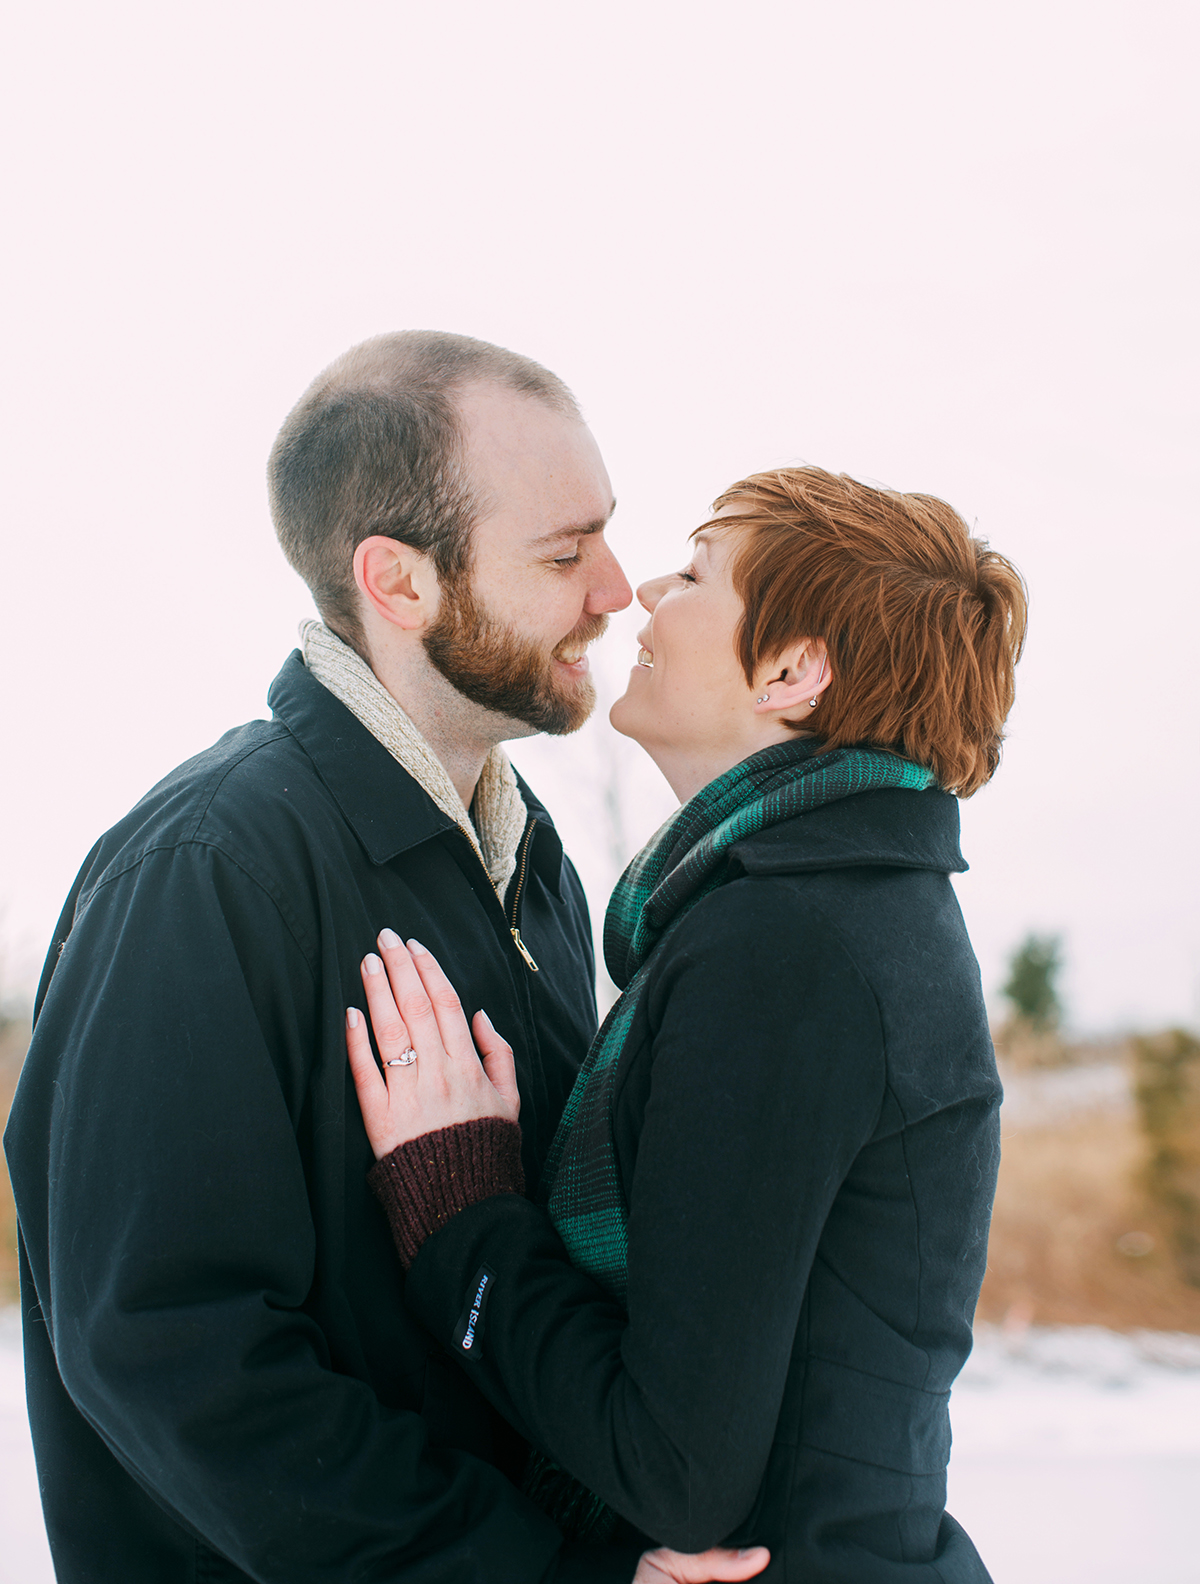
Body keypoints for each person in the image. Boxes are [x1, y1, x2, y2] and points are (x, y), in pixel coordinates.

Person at [3, 332, 768, 1584]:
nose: (619, 589)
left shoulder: (531, 864)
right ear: (399, 581)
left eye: (608, 538)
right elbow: (174, 1358)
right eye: (565, 553)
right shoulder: (207, 869)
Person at [346, 466, 1028, 1581]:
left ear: (793, 671)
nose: (648, 593)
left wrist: (460, 1208)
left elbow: (676, 1470)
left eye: (703, 573)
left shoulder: (789, 945)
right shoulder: (852, 906)